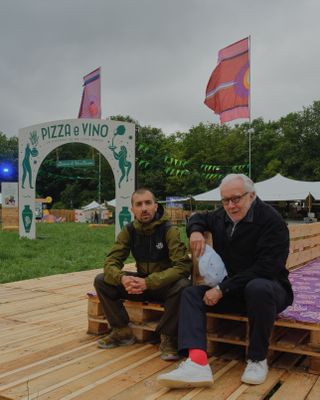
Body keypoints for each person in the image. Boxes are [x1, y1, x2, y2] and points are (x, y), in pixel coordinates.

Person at [157, 173, 293, 388]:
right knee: (191, 293)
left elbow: (268, 268)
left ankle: (257, 359)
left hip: (270, 290)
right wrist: (195, 232)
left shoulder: (272, 222)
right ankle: (197, 362)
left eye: (236, 199)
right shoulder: (222, 216)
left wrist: (222, 288)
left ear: (252, 195)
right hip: (234, 291)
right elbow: (197, 217)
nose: (230, 206)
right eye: (225, 200)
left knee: (257, 287)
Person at [94, 188, 192, 360]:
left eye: (148, 203)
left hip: (163, 287)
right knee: (102, 281)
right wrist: (123, 278)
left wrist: (150, 282)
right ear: (132, 209)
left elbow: (183, 266)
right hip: (140, 286)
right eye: (139, 204)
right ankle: (121, 331)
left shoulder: (169, 230)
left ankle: (168, 338)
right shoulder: (129, 231)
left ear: (155, 206)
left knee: (184, 285)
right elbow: (110, 262)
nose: (144, 208)